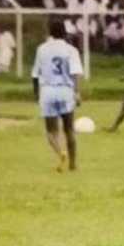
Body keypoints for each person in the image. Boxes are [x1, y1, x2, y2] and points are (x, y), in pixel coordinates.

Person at [31, 19, 83, 172]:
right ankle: (73, 164)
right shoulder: (71, 50)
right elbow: (75, 73)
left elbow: (35, 74)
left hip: (47, 91)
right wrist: (77, 92)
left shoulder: (42, 49)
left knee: (51, 132)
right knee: (69, 130)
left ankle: (61, 153)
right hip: (65, 91)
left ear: (50, 33)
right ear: (65, 33)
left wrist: (36, 94)